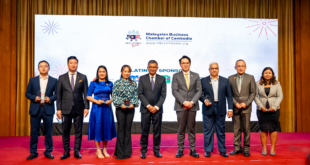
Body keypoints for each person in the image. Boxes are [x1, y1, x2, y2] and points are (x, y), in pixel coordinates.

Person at [56, 56, 89, 159]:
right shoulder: (61, 78)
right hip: (65, 109)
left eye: (75, 63)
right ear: (68, 64)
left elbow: (86, 94)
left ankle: (76, 151)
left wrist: (87, 107)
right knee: (65, 131)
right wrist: (59, 109)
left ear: (77, 64)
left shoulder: (83, 77)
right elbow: (58, 95)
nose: (73, 65)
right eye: (71, 63)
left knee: (78, 131)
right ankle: (66, 151)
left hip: (79, 108)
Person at [199, 62, 233, 158]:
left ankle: (222, 150)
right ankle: (208, 150)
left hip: (221, 107)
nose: (214, 70)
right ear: (209, 69)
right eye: (212, 68)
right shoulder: (203, 80)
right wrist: (204, 100)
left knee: (221, 131)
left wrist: (230, 109)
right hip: (208, 107)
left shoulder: (225, 81)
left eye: (216, 68)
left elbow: (229, 95)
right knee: (208, 131)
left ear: (218, 69)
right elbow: (200, 94)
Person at [25, 60, 57, 160]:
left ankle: (48, 151)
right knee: (34, 131)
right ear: (38, 69)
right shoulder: (32, 80)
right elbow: (27, 93)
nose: (43, 68)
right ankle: (33, 152)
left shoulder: (54, 80)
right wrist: (34, 98)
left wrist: (50, 99)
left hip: (48, 109)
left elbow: (57, 94)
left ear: (49, 68)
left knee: (48, 131)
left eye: (45, 66)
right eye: (41, 66)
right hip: (35, 108)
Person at [172, 55, 202, 158]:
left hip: (192, 106)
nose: (185, 65)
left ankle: (192, 149)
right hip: (181, 106)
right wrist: (184, 102)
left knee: (191, 129)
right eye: (183, 63)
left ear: (190, 64)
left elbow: (199, 90)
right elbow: (174, 91)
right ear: (180, 64)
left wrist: (192, 102)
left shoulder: (196, 75)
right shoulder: (176, 76)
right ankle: (180, 149)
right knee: (181, 129)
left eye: (187, 63)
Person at [138, 60, 167, 159]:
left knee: (157, 131)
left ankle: (156, 150)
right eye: (150, 67)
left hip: (158, 109)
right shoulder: (142, 78)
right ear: (147, 67)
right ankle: (143, 151)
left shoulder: (162, 79)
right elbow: (140, 94)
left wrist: (156, 107)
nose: (152, 68)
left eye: (154, 67)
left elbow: (163, 95)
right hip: (145, 109)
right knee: (144, 130)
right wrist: (148, 106)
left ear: (157, 68)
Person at [86, 65, 117, 158]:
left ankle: (104, 149)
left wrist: (110, 101)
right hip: (97, 108)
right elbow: (88, 96)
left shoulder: (110, 83)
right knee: (97, 128)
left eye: (103, 71)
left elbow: (114, 96)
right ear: (97, 73)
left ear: (106, 73)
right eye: (100, 71)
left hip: (107, 108)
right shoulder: (93, 83)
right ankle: (98, 150)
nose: (102, 73)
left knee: (106, 128)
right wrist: (96, 101)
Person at [228, 59, 256, 157]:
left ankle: (246, 149)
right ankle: (237, 148)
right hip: (235, 107)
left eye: (242, 66)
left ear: (245, 67)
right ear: (235, 67)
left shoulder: (250, 77)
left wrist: (246, 103)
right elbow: (229, 93)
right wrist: (235, 103)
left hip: (246, 108)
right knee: (236, 129)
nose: (240, 68)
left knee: (246, 129)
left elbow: (253, 92)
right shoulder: (231, 78)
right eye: (238, 66)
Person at [112, 65, 139, 159]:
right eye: (125, 71)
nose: (127, 73)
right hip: (120, 108)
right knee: (121, 130)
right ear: (121, 72)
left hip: (131, 108)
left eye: (128, 71)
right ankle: (119, 153)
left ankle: (127, 153)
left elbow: (136, 95)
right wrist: (120, 104)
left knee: (128, 130)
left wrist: (133, 104)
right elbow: (114, 95)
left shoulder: (134, 83)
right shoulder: (117, 82)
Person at [254, 67, 283, 156]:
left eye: (269, 73)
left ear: (272, 74)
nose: (267, 74)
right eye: (265, 73)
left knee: (273, 129)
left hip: (274, 110)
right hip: (261, 110)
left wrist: (274, 107)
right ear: (263, 74)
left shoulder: (277, 84)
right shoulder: (257, 84)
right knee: (263, 129)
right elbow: (255, 96)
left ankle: (273, 148)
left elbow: (280, 96)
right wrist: (261, 106)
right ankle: (264, 147)